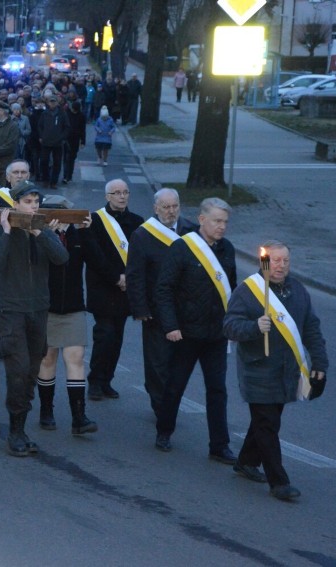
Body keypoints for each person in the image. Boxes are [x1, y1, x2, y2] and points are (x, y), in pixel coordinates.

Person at [223, 240, 328, 501]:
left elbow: (312, 329)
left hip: (285, 372)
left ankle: (246, 461)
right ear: (263, 262)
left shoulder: (298, 290)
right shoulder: (248, 291)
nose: (280, 266)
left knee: (267, 421)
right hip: (258, 371)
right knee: (267, 424)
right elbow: (230, 326)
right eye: (275, 261)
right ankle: (278, 482)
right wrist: (254, 327)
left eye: (285, 261)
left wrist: (320, 364)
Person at [0, 181, 68, 457]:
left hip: (39, 309)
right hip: (12, 310)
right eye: (28, 202)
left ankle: (21, 427)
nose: (33, 206)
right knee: (18, 370)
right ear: (15, 204)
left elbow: (61, 257)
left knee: (32, 370)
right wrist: (9, 233)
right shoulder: (3, 230)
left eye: (36, 201)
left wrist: (42, 233)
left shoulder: (43, 230)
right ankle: (15, 431)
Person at [154, 197, 236, 463]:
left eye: (225, 222)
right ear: (202, 220)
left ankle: (219, 445)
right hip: (185, 333)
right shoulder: (182, 248)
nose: (222, 227)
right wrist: (170, 326)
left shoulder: (228, 250)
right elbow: (164, 289)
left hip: (216, 335)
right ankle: (164, 431)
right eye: (217, 221)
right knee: (175, 385)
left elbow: (231, 291)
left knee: (217, 390)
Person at [125, 188, 198, 416]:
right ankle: (161, 408)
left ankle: (168, 399)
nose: (171, 211)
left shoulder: (191, 231)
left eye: (175, 206)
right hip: (155, 310)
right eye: (166, 207)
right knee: (158, 362)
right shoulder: (143, 235)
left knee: (178, 363)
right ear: (156, 208)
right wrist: (140, 308)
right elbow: (135, 275)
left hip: (185, 309)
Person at [37, 200, 99, 435]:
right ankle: (46, 410)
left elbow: (96, 262)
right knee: (47, 359)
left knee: (76, 357)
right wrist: (48, 236)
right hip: (47, 307)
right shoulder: (40, 234)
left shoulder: (77, 235)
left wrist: (87, 233)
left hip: (73, 306)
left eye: (66, 214)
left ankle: (79, 417)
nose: (61, 219)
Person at [86, 179, 144, 401]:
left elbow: (139, 256)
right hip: (103, 287)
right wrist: (115, 277)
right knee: (105, 335)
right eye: (117, 193)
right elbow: (94, 255)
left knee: (117, 337)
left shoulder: (137, 221)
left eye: (125, 192)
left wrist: (129, 279)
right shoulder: (96, 220)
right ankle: (95, 381)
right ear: (107, 196)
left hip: (125, 289)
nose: (122, 196)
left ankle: (107, 380)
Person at [36, 94, 70, 187]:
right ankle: (46, 179)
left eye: (54, 101)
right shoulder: (45, 113)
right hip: (46, 142)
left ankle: (54, 181)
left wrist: (62, 137)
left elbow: (67, 127)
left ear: (57, 102)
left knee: (57, 162)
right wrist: (41, 136)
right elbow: (40, 126)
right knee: (44, 161)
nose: (52, 103)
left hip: (58, 143)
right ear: (48, 103)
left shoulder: (62, 114)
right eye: (51, 101)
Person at [62, 101, 86, 184]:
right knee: (66, 158)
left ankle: (69, 175)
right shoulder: (67, 114)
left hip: (75, 140)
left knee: (71, 158)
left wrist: (83, 141)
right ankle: (65, 176)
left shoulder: (81, 116)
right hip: (66, 139)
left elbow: (83, 129)